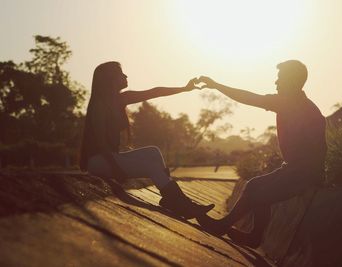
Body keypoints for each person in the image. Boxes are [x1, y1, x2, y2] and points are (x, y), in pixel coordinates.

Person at [196, 60, 326, 248]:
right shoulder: (286, 102)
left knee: (260, 194)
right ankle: (253, 235)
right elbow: (248, 97)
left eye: (280, 79)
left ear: (292, 82)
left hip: (304, 173)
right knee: (254, 185)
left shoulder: (305, 109)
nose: (276, 82)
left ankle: (225, 226)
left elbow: (319, 148)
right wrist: (217, 86)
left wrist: (315, 176)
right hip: (293, 169)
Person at [79, 61, 214, 219]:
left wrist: (185, 88)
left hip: (111, 157)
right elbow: (101, 144)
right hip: (98, 161)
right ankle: (183, 205)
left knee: (153, 152)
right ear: (110, 79)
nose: (125, 76)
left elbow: (155, 92)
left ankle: (171, 200)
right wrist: (116, 168)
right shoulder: (99, 105)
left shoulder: (121, 99)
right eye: (121, 73)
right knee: (152, 167)